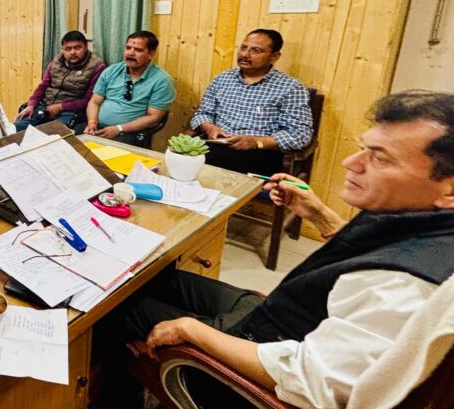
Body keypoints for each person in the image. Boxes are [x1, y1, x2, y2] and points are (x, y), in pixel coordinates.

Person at [109, 91, 454, 409]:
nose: (351, 162)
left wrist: (189, 330)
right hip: (281, 319)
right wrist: (320, 215)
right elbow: (375, 255)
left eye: (379, 158)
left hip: (263, 356)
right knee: (154, 278)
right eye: (363, 148)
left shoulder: (406, 288)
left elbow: (309, 384)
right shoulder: (427, 225)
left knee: (117, 309)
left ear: (449, 190)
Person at [190, 29, 313, 176]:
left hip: (259, 153)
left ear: (274, 57)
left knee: (202, 168)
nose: (245, 54)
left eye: (255, 50)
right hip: (216, 145)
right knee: (182, 160)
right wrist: (210, 128)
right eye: (243, 48)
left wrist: (256, 142)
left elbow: (300, 135)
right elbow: (202, 114)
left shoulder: (291, 88)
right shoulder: (222, 79)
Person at [83, 31, 175, 143]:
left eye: (138, 50)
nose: (131, 53)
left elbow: (153, 118)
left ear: (151, 54)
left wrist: (119, 129)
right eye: (128, 48)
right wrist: (92, 123)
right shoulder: (111, 71)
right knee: (72, 140)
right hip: (97, 126)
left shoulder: (162, 81)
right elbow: (94, 102)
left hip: (129, 132)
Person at [16, 30, 106, 132]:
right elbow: (43, 86)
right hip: (45, 105)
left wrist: (60, 107)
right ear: (62, 49)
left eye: (77, 48)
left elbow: (88, 100)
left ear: (86, 47)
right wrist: (31, 105)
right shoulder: (56, 61)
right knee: (17, 127)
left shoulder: (97, 66)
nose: (72, 52)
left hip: (71, 110)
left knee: (52, 134)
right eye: (68, 49)